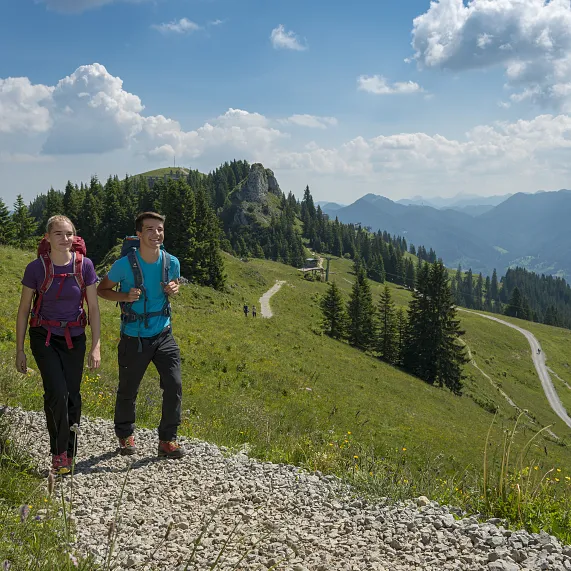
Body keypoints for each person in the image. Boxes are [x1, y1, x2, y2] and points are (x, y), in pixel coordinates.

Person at [15, 215, 101, 475]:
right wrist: (19, 349)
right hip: (44, 336)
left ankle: (69, 451)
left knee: (72, 395)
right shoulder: (35, 268)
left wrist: (96, 346)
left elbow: (94, 309)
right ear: (47, 238)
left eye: (69, 234)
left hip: (75, 336)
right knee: (57, 392)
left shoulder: (84, 266)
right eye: (59, 234)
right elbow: (23, 311)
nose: (65, 239)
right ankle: (59, 454)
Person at [97, 212, 185, 459]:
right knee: (128, 388)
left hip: (163, 333)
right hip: (133, 336)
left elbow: (173, 285)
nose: (156, 234)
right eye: (149, 229)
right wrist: (124, 297)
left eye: (159, 229)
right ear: (138, 234)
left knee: (174, 384)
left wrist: (175, 288)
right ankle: (125, 435)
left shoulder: (172, 262)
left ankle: (168, 440)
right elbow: (102, 290)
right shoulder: (124, 265)